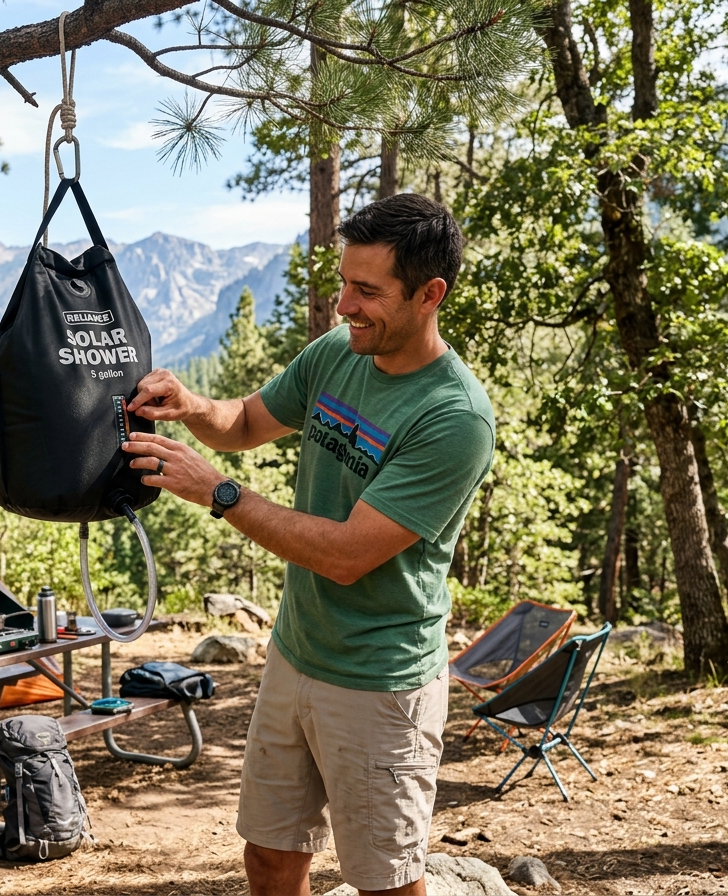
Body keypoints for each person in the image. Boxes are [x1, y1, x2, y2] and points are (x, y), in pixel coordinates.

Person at [121, 193, 495, 896]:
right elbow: (244, 423)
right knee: (269, 853)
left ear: (429, 295)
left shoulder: (454, 416)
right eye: (344, 285)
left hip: (381, 683)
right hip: (296, 654)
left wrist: (220, 495)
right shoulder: (338, 353)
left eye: (367, 291)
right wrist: (195, 405)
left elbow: (347, 555)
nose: (344, 306)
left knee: (384, 880)